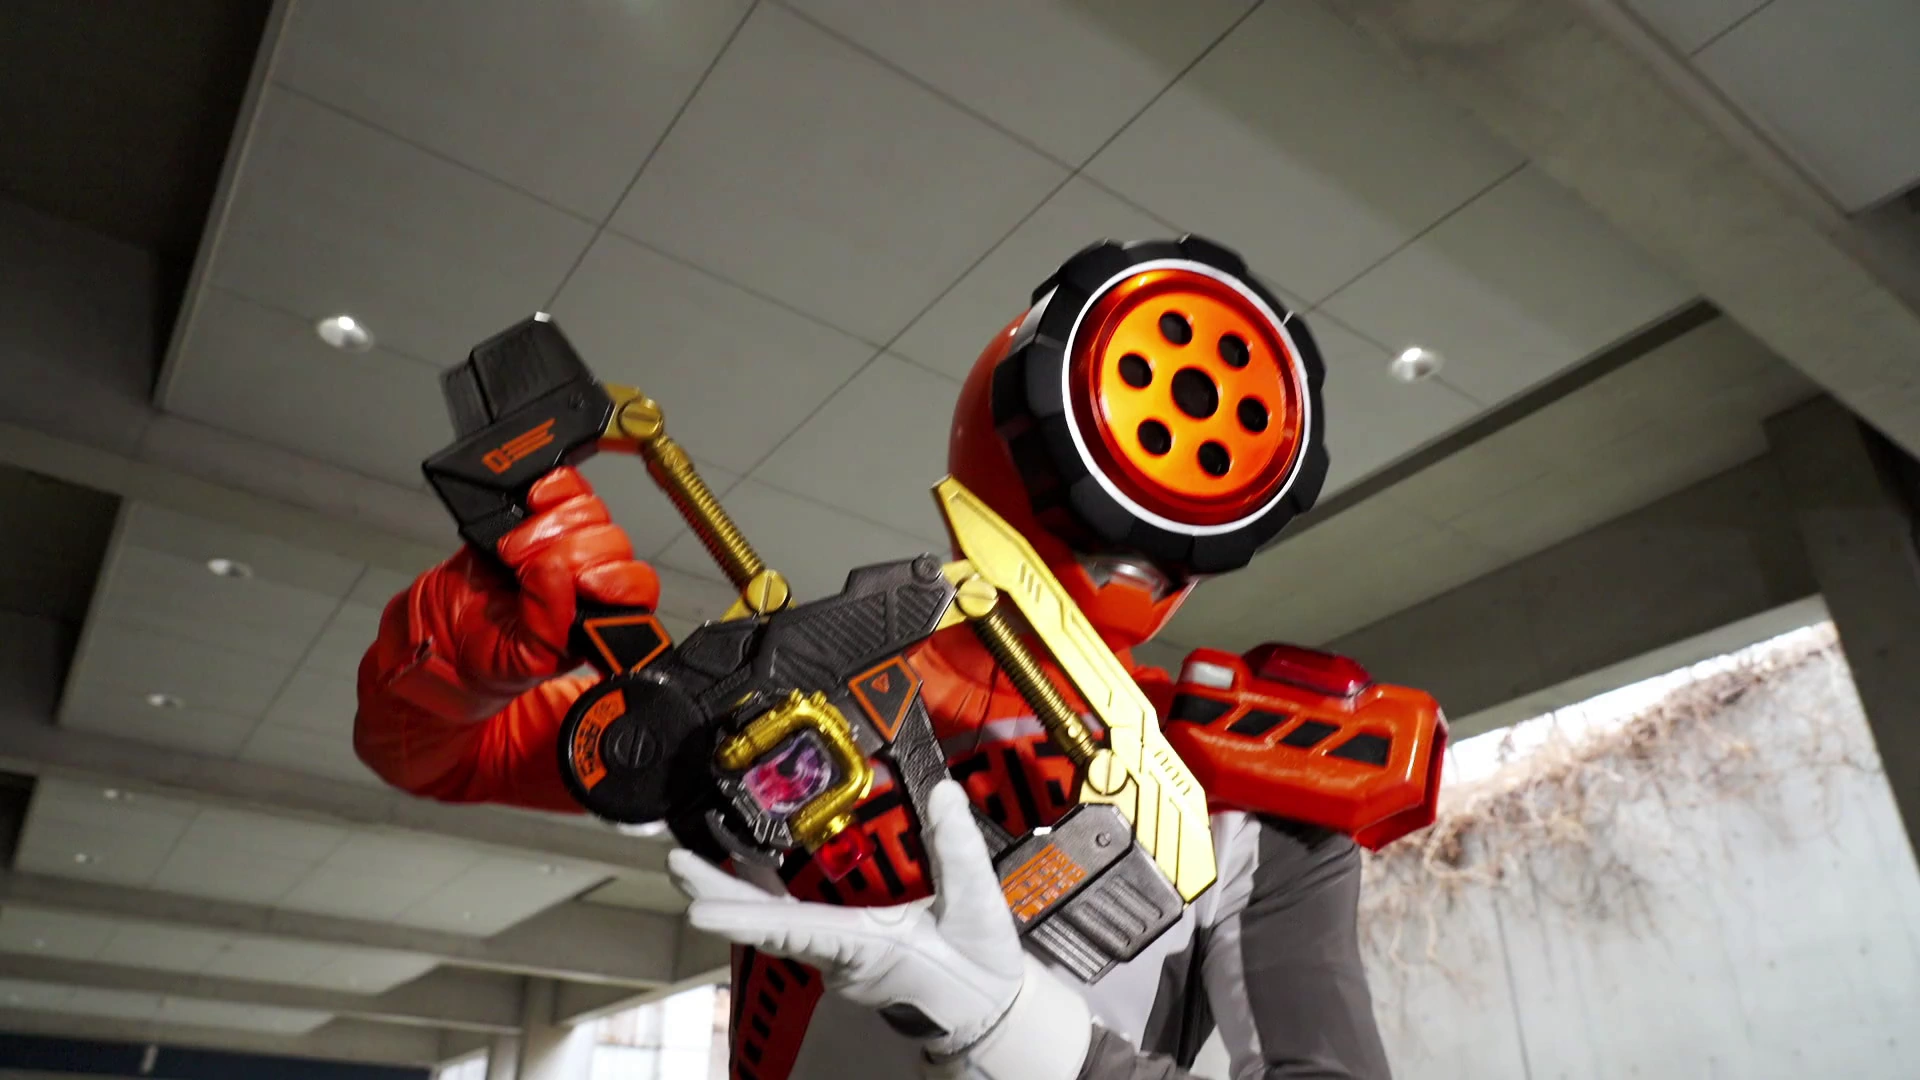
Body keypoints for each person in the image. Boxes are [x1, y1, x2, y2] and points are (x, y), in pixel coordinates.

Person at [357, 237, 1422, 1079]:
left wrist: (1024, 1036)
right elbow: (431, 753)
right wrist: (465, 642)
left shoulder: (1249, 783)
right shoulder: (766, 697)